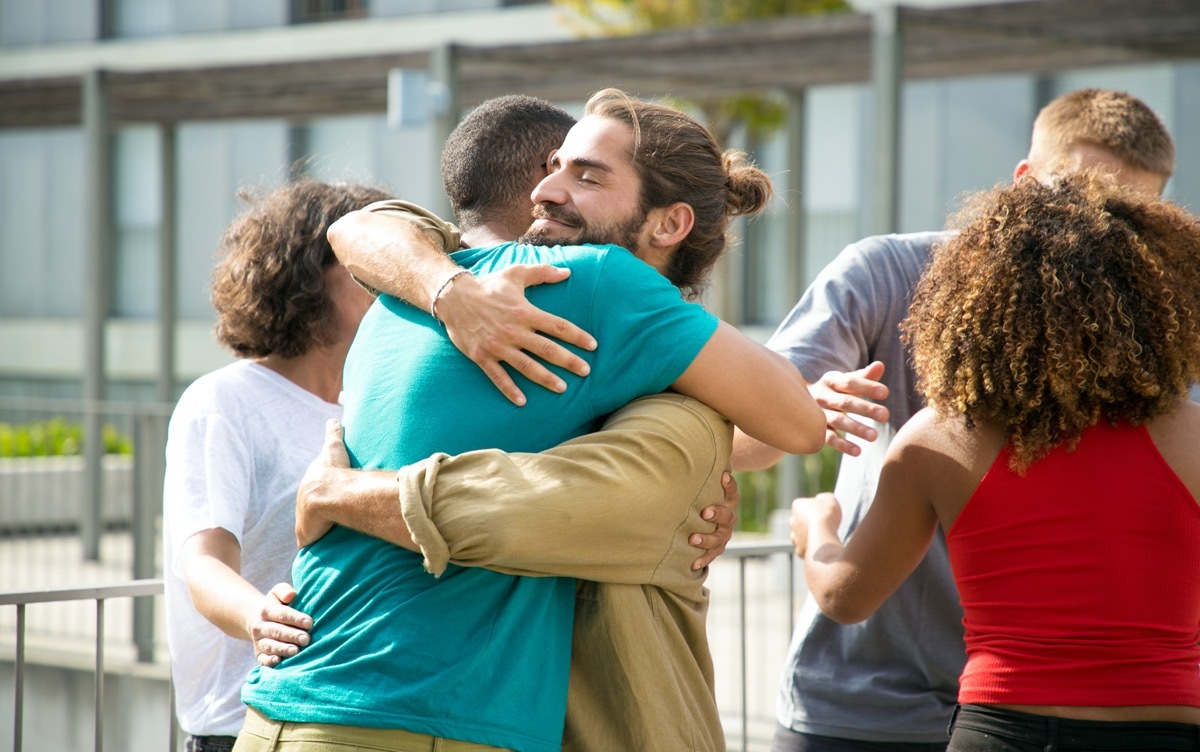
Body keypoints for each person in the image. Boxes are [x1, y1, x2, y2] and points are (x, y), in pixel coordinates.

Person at [235, 88, 826, 752]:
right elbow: (799, 424)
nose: (547, 189)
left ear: (669, 224)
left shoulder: (422, 278)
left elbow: (353, 229)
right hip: (416, 715)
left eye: (586, 175)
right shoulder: (603, 283)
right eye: (554, 165)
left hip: (287, 704)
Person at [730, 88, 1177, 751]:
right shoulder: (885, 271)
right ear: (1022, 183)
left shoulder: (1158, 324)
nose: (1095, 228)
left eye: (1127, 213)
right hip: (866, 702)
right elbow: (744, 443)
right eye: (1075, 195)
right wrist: (797, 414)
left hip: (1043, 707)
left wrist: (817, 532)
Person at [161, 179, 392, 752]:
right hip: (242, 723)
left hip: (344, 715)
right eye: (366, 264)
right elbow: (205, 565)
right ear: (308, 276)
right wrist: (262, 618)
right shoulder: (223, 401)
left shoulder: (373, 403)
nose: (390, 278)